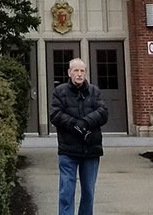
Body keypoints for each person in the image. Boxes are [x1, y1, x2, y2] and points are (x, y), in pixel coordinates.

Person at [50, 56, 108, 215]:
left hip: (91, 150)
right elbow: (55, 115)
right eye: (76, 70)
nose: (79, 74)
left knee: (88, 192)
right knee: (66, 191)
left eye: (82, 71)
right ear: (69, 72)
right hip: (68, 150)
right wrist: (75, 125)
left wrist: (86, 122)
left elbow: (103, 113)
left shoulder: (94, 91)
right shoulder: (60, 91)